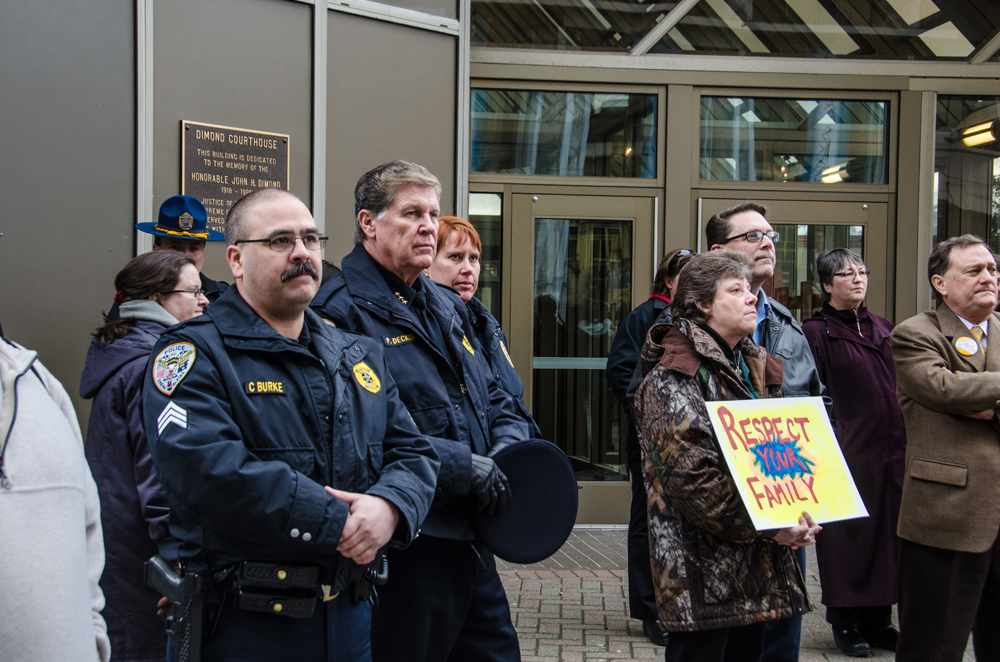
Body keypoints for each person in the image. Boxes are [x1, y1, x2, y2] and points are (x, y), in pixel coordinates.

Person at [142, 187, 439, 661]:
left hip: (352, 619)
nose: (302, 253)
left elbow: (414, 452)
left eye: (311, 239)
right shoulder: (194, 355)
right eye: (280, 241)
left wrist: (390, 507)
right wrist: (339, 522)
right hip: (249, 627)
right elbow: (207, 471)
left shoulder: (357, 353)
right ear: (236, 260)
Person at [311, 160, 532, 662]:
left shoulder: (445, 304)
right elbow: (352, 433)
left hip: (472, 536)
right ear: (369, 223)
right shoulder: (337, 311)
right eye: (411, 213)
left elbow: (495, 393)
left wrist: (507, 448)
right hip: (408, 543)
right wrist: (461, 466)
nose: (429, 225)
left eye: (433, 213)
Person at [633, 251, 820, 662]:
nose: (752, 297)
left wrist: (797, 510)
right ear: (702, 304)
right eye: (736, 290)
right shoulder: (672, 378)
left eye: (751, 289)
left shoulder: (747, 367)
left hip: (751, 570)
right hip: (703, 577)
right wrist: (772, 526)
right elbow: (695, 483)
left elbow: (776, 461)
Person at [706, 202, 823, 662]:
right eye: (752, 236)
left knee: (780, 635)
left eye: (770, 234)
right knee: (732, 640)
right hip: (728, 508)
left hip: (788, 497)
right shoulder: (686, 328)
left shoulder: (788, 325)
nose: (767, 242)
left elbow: (817, 403)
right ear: (719, 250)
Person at [80, 251, 209, 662]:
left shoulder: (121, 354)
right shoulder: (151, 366)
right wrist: (177, 561)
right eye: (193, 292)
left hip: (119, 548)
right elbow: (159, 471)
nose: (204, 301)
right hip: (147, 559)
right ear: (156, 298)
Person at [890, 234, 1000, 662]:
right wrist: (966, 395)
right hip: (946, 514)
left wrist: (985, 406)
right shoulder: (916, 333)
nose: (987, 277)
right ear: (941, 283)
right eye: (973, 271)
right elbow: (943, 389)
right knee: (932, 645)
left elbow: (963, 392)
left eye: (991, 269)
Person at [801, 249, 905, 657]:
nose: (857, 279)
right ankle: (845, 624)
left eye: (861, 272)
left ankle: (879, 621)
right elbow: (812, 393)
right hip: (845, 451)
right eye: (846, 274)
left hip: (891, 450)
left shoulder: (884, 327)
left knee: (887, 535)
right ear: (827, 285)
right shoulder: (816, 332)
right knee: (848, 538)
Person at [0, 335, 111, 662]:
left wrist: (93, 640)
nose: (203, 299)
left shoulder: (35, 378)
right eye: (192, 291)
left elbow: (88, 525)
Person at [605, 247, 692, 646]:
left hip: (688, 444)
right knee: (646, 520)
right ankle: (649, 609)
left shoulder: (698, 318)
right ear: (667, 281)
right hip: (648, 439)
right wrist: (650, 415)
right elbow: (622, 372)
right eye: (683, 276)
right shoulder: (644, 317)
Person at [426, 215, 541, 437]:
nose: (468, 269)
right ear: (426, 265)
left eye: (474, 258)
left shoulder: (487, 327)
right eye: (455, 257)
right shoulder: (422, 326)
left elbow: (509, 401)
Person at [135, 195, 229, 303]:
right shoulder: (136, 294)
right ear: (156, 251)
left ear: (203, 252)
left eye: (194, 249)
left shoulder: (222, 296)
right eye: (175, 247)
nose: (185, 256)